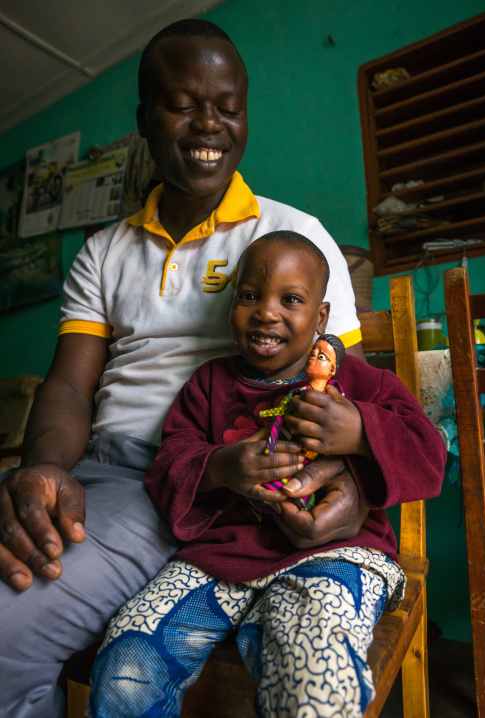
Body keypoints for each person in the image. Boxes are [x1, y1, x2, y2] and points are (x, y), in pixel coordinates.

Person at [0, 19, 369, 718]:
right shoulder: (103, 252)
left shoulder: (291, 239)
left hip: (184, 475)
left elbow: (352, 386)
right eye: (182, 104)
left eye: (228, 106)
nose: (210, 124)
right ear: (144, 117)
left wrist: (351, 476)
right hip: (93, 467)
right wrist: (42, 468)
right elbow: (71, 385)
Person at [85, 232, 446, 718]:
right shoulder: (209, 384)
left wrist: (361, 430)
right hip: (217, 561)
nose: (266, 312)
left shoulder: (361, 385)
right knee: (127, 660)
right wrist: (218, 466)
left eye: (290, 300)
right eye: (249, 296)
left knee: (315, 680)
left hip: (337, 557)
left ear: (321, 317)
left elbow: (429, 454)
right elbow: (170, 460)